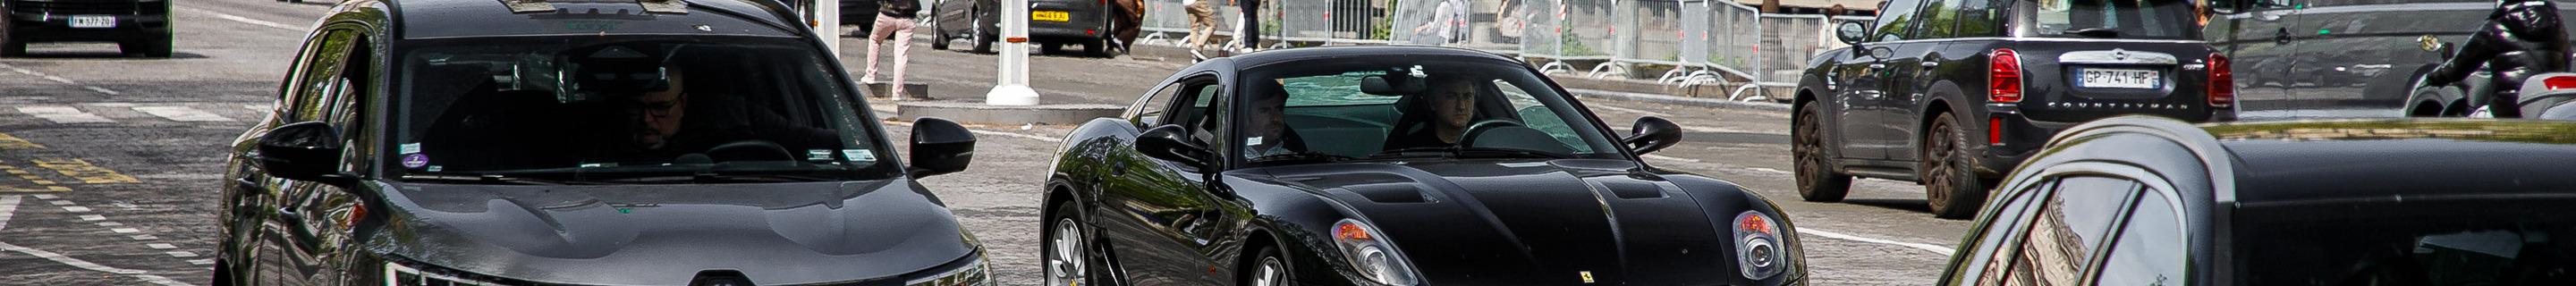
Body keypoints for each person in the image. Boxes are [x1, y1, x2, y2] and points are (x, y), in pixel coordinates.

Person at [2423, 0, 2570, 118]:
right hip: (2548, 106)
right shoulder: (2556, 23)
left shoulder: (2497, 25)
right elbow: (2566, 57)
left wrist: (2433, 78)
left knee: (2470, 125)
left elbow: (2460, 65)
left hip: (2508, 106)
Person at [1384, 76, 1480, 150]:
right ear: (1433, 103)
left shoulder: (1485, 141)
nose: (1461, 106)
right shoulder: (1412, 147)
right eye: (1451, 96)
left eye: (1467, 96)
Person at [860, 0, 921, 99]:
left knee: (875, 39)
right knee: (901, 54)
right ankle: (897, 93)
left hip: (887, 14)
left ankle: (870, 75)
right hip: (909, 17)